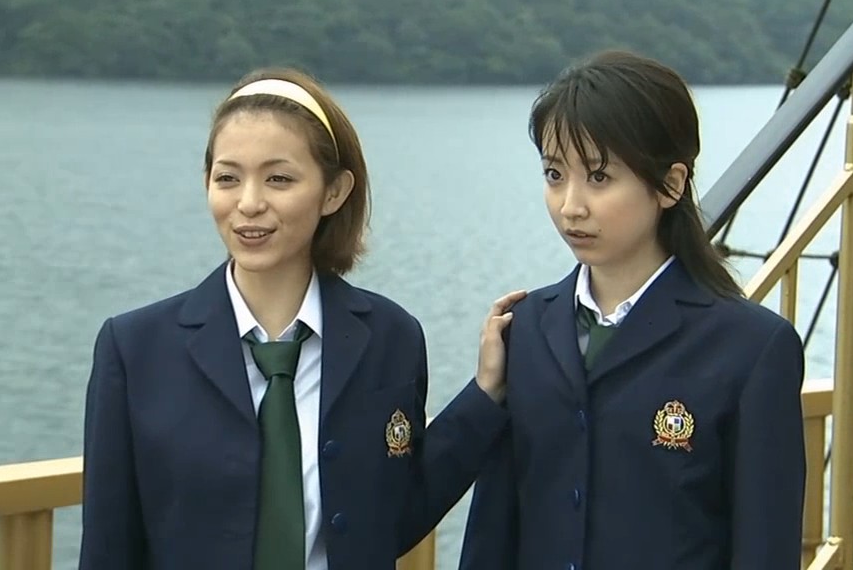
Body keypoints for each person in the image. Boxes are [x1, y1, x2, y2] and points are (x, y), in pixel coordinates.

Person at [78, 67, 523, 570]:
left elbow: (397, 515)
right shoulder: (134, 349)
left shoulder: (390, 337)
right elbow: (108, 546)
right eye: (227, 178)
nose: (249, 203)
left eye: (279, 179)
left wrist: (486, 393)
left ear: (334, 192)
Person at [458, 49, 806, 569]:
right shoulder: (526, 328)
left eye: (599, 177)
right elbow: (493, 530)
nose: (571, 206)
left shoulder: (751, 347)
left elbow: (765, 550)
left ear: (671, 184)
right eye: (554, 174)